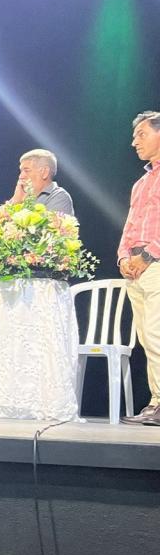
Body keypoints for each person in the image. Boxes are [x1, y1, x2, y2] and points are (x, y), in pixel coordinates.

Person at [119, 111, 160, 426]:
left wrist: (147, 255)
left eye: (142, 134)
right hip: (136, 267)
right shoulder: (141, 182)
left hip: (155, 262)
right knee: (147, 338)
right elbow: (130, 225)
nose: (135, 142)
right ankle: (156, 402)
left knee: (157, 334)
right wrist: (123, 257)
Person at [5, 149, 75, 214]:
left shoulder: (59, 197)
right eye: (21, 171)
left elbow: (49, 224)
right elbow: (0, 221)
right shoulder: (20, 196)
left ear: (45, 172)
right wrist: (15, 202)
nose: (21, 176)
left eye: (27, 170)